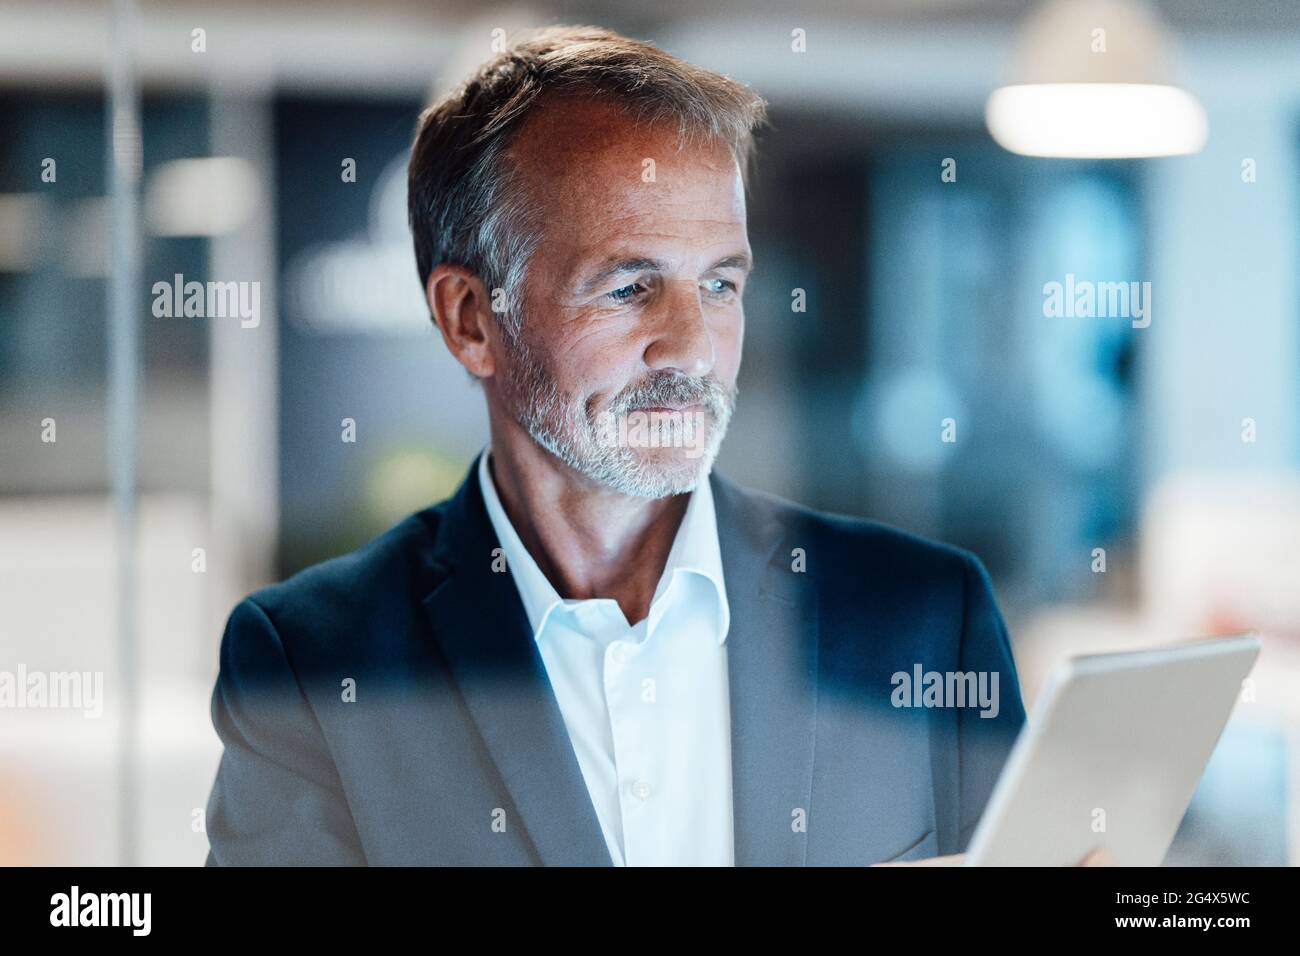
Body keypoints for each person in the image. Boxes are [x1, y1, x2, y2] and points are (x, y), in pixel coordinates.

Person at [204, 24, 1033, 866]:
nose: (692, 346)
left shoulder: (927, 619)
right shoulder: (311, 665)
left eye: (719, 284)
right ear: (469, 320)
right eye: (630, 286)